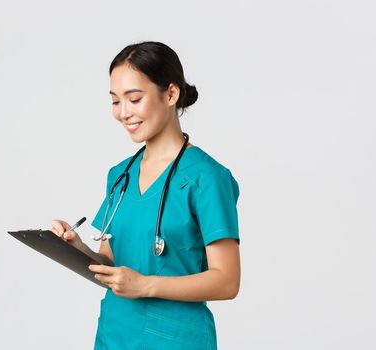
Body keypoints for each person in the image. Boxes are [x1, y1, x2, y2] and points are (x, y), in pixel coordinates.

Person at [50, 41, 241, 350]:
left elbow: (227, 280)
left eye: (134, 99)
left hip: (175, 338)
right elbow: (111, 264)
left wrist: (145, 285)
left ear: (170, 94)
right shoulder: (120, 175)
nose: (123, 113)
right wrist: (77, 248)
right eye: (115, 101)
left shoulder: (206, 177)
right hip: (115, 334)